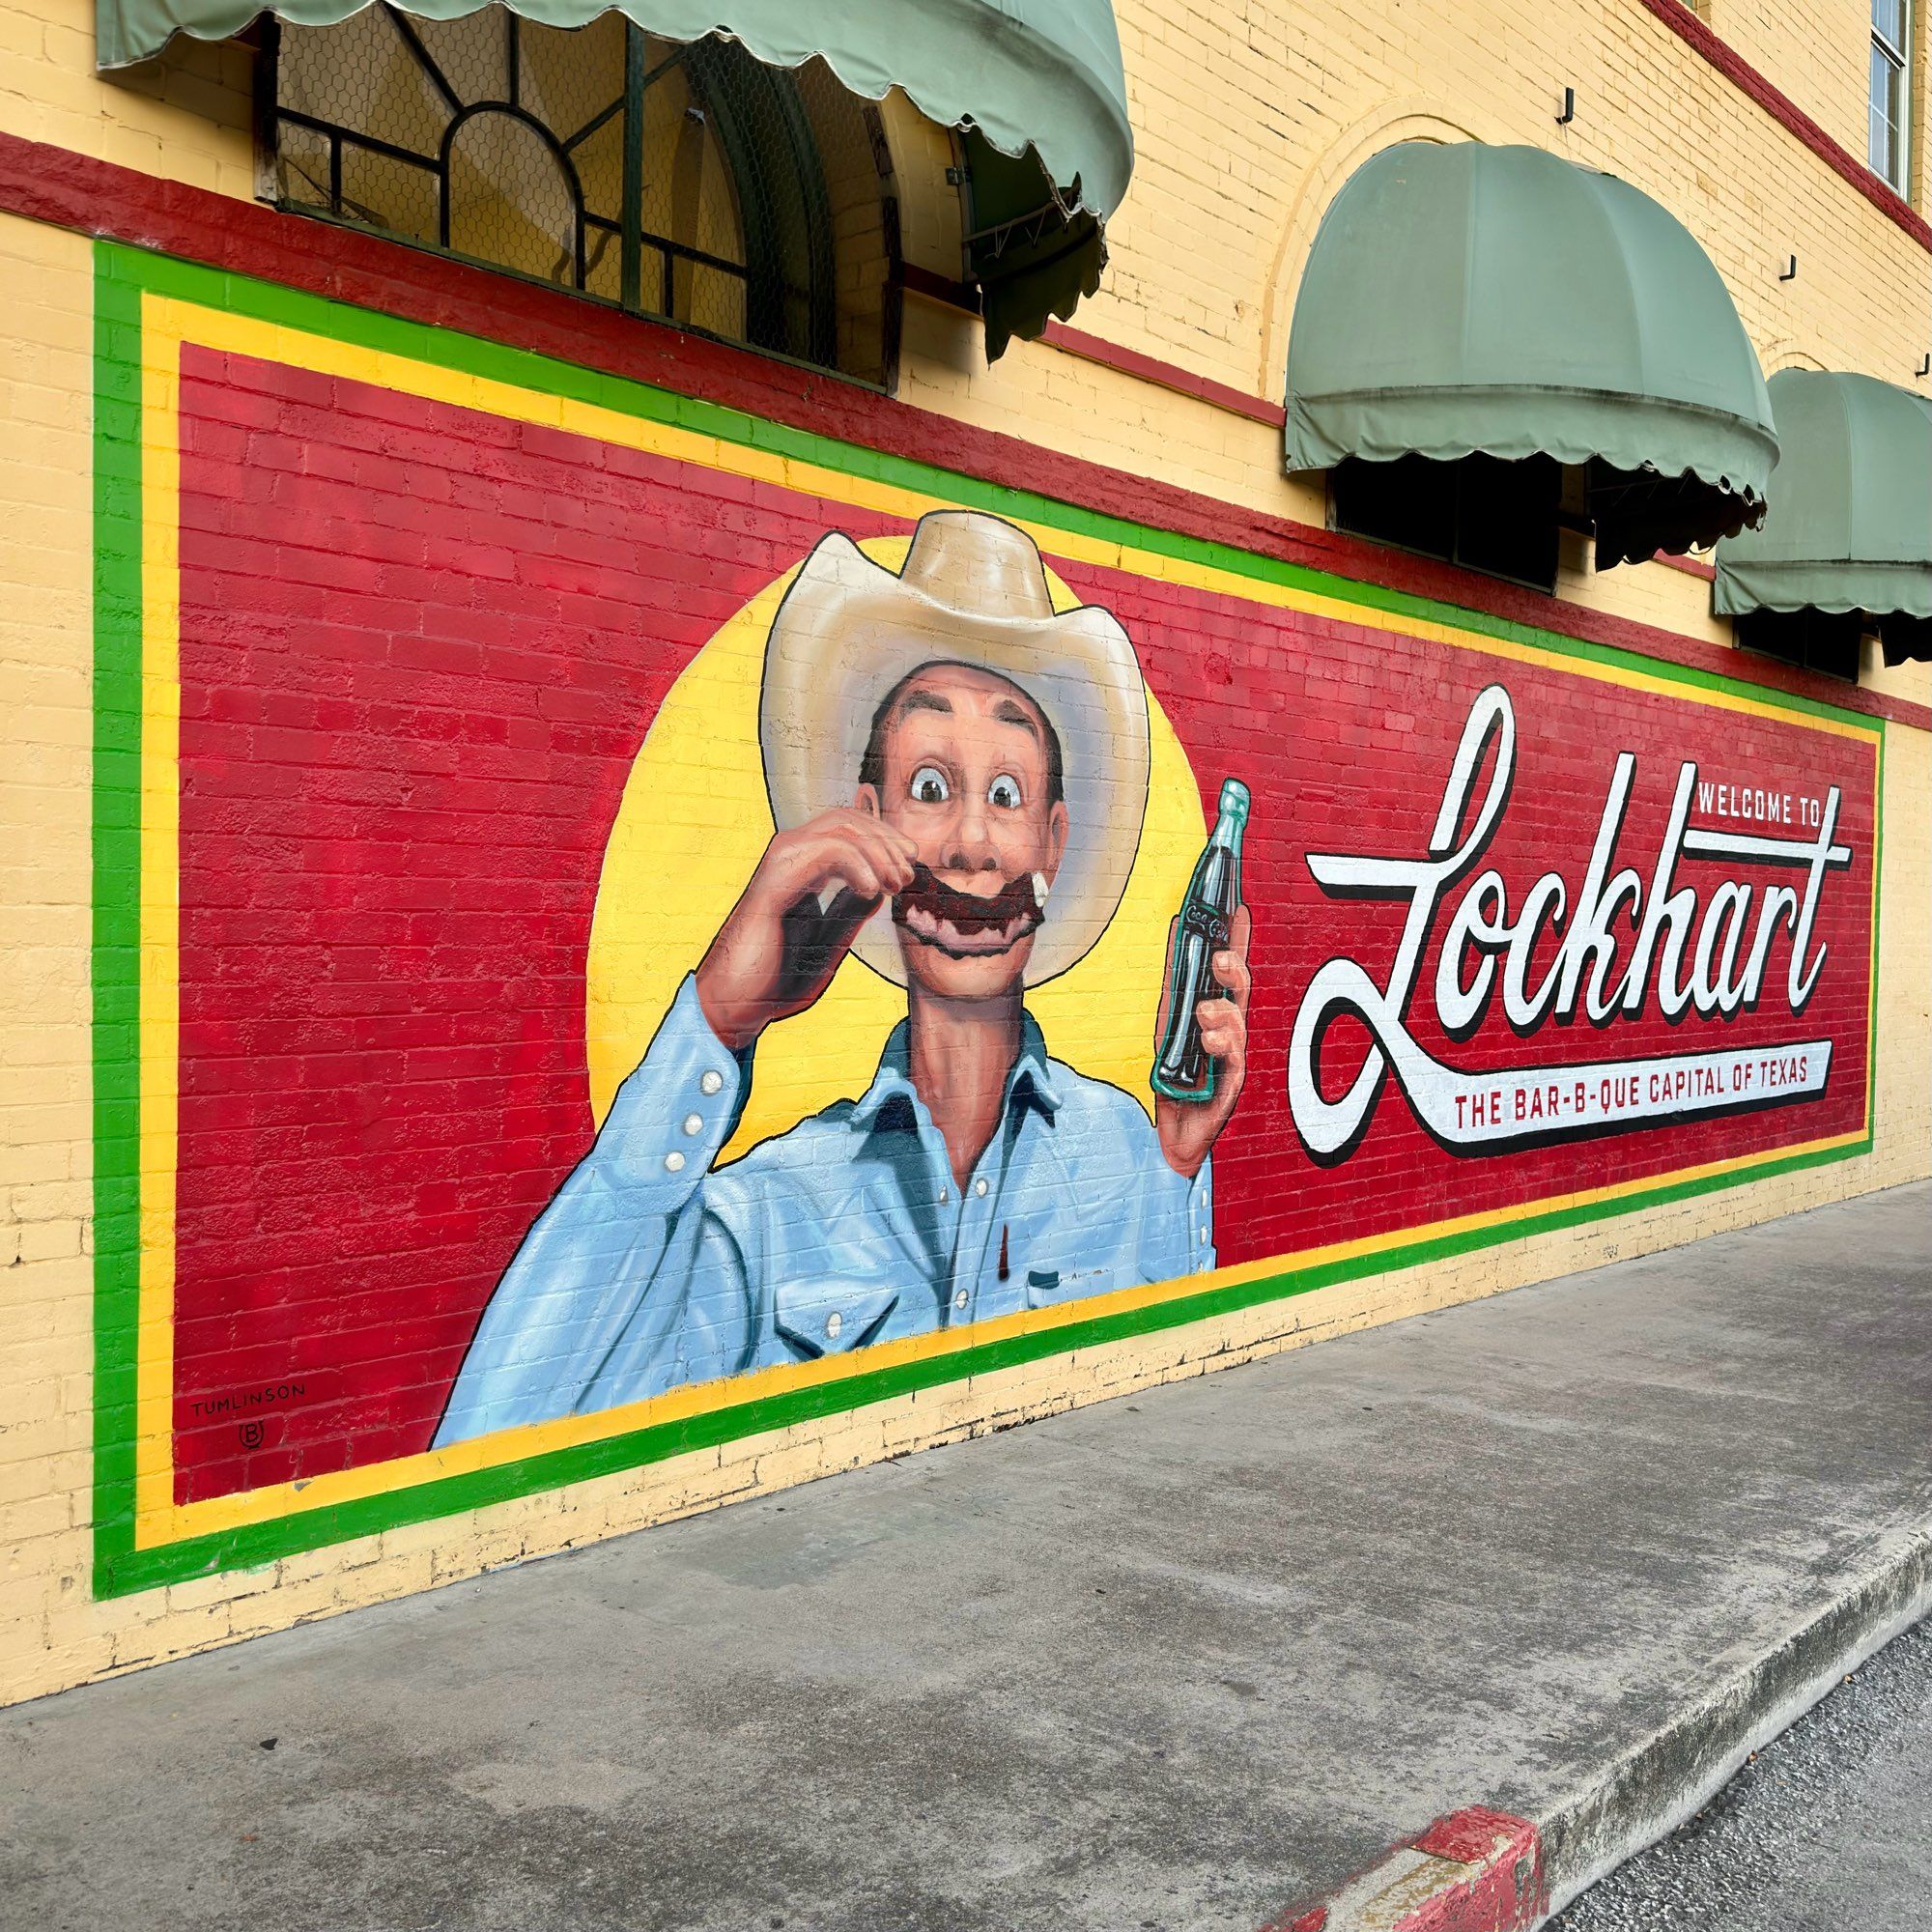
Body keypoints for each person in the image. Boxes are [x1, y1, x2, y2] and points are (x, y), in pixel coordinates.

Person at [435, 512, 1252, 1444]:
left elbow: (1169, 1437)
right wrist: (716, 1020)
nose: (973, 845)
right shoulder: (772, 1214)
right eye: (932, 790)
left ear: (1053, 844)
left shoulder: (1129, 1159)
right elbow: (498, 1439)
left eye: (1008, 796)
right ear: (868, 823)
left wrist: (1180, 1168)